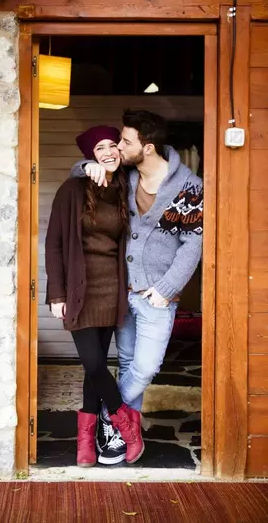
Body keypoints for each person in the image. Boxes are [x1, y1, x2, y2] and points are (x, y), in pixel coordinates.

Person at [71, 110, 203, 465]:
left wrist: (165, 288)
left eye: (125, 141)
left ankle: (109, 415)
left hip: (158, 297)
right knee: (126, 361)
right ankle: (124, 432)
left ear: (146, 147)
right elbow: (77, 173)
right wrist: (85, 167)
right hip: (122, 292)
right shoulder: (125, 178)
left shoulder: (188, 186)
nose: (118, 147)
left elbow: (193, 243)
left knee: (145, 368)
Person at [45, 125, 144, 468]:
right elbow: (54, 244)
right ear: (90, 155)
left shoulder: (124, 186)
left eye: (112, 145)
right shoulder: (72, 189)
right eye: (99, 148)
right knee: (94, 364)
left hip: (112, 289)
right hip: (79, 290)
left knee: (94, 369)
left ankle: (85, 442)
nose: (108, 152)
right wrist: (56, 292)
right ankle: (125, 425)